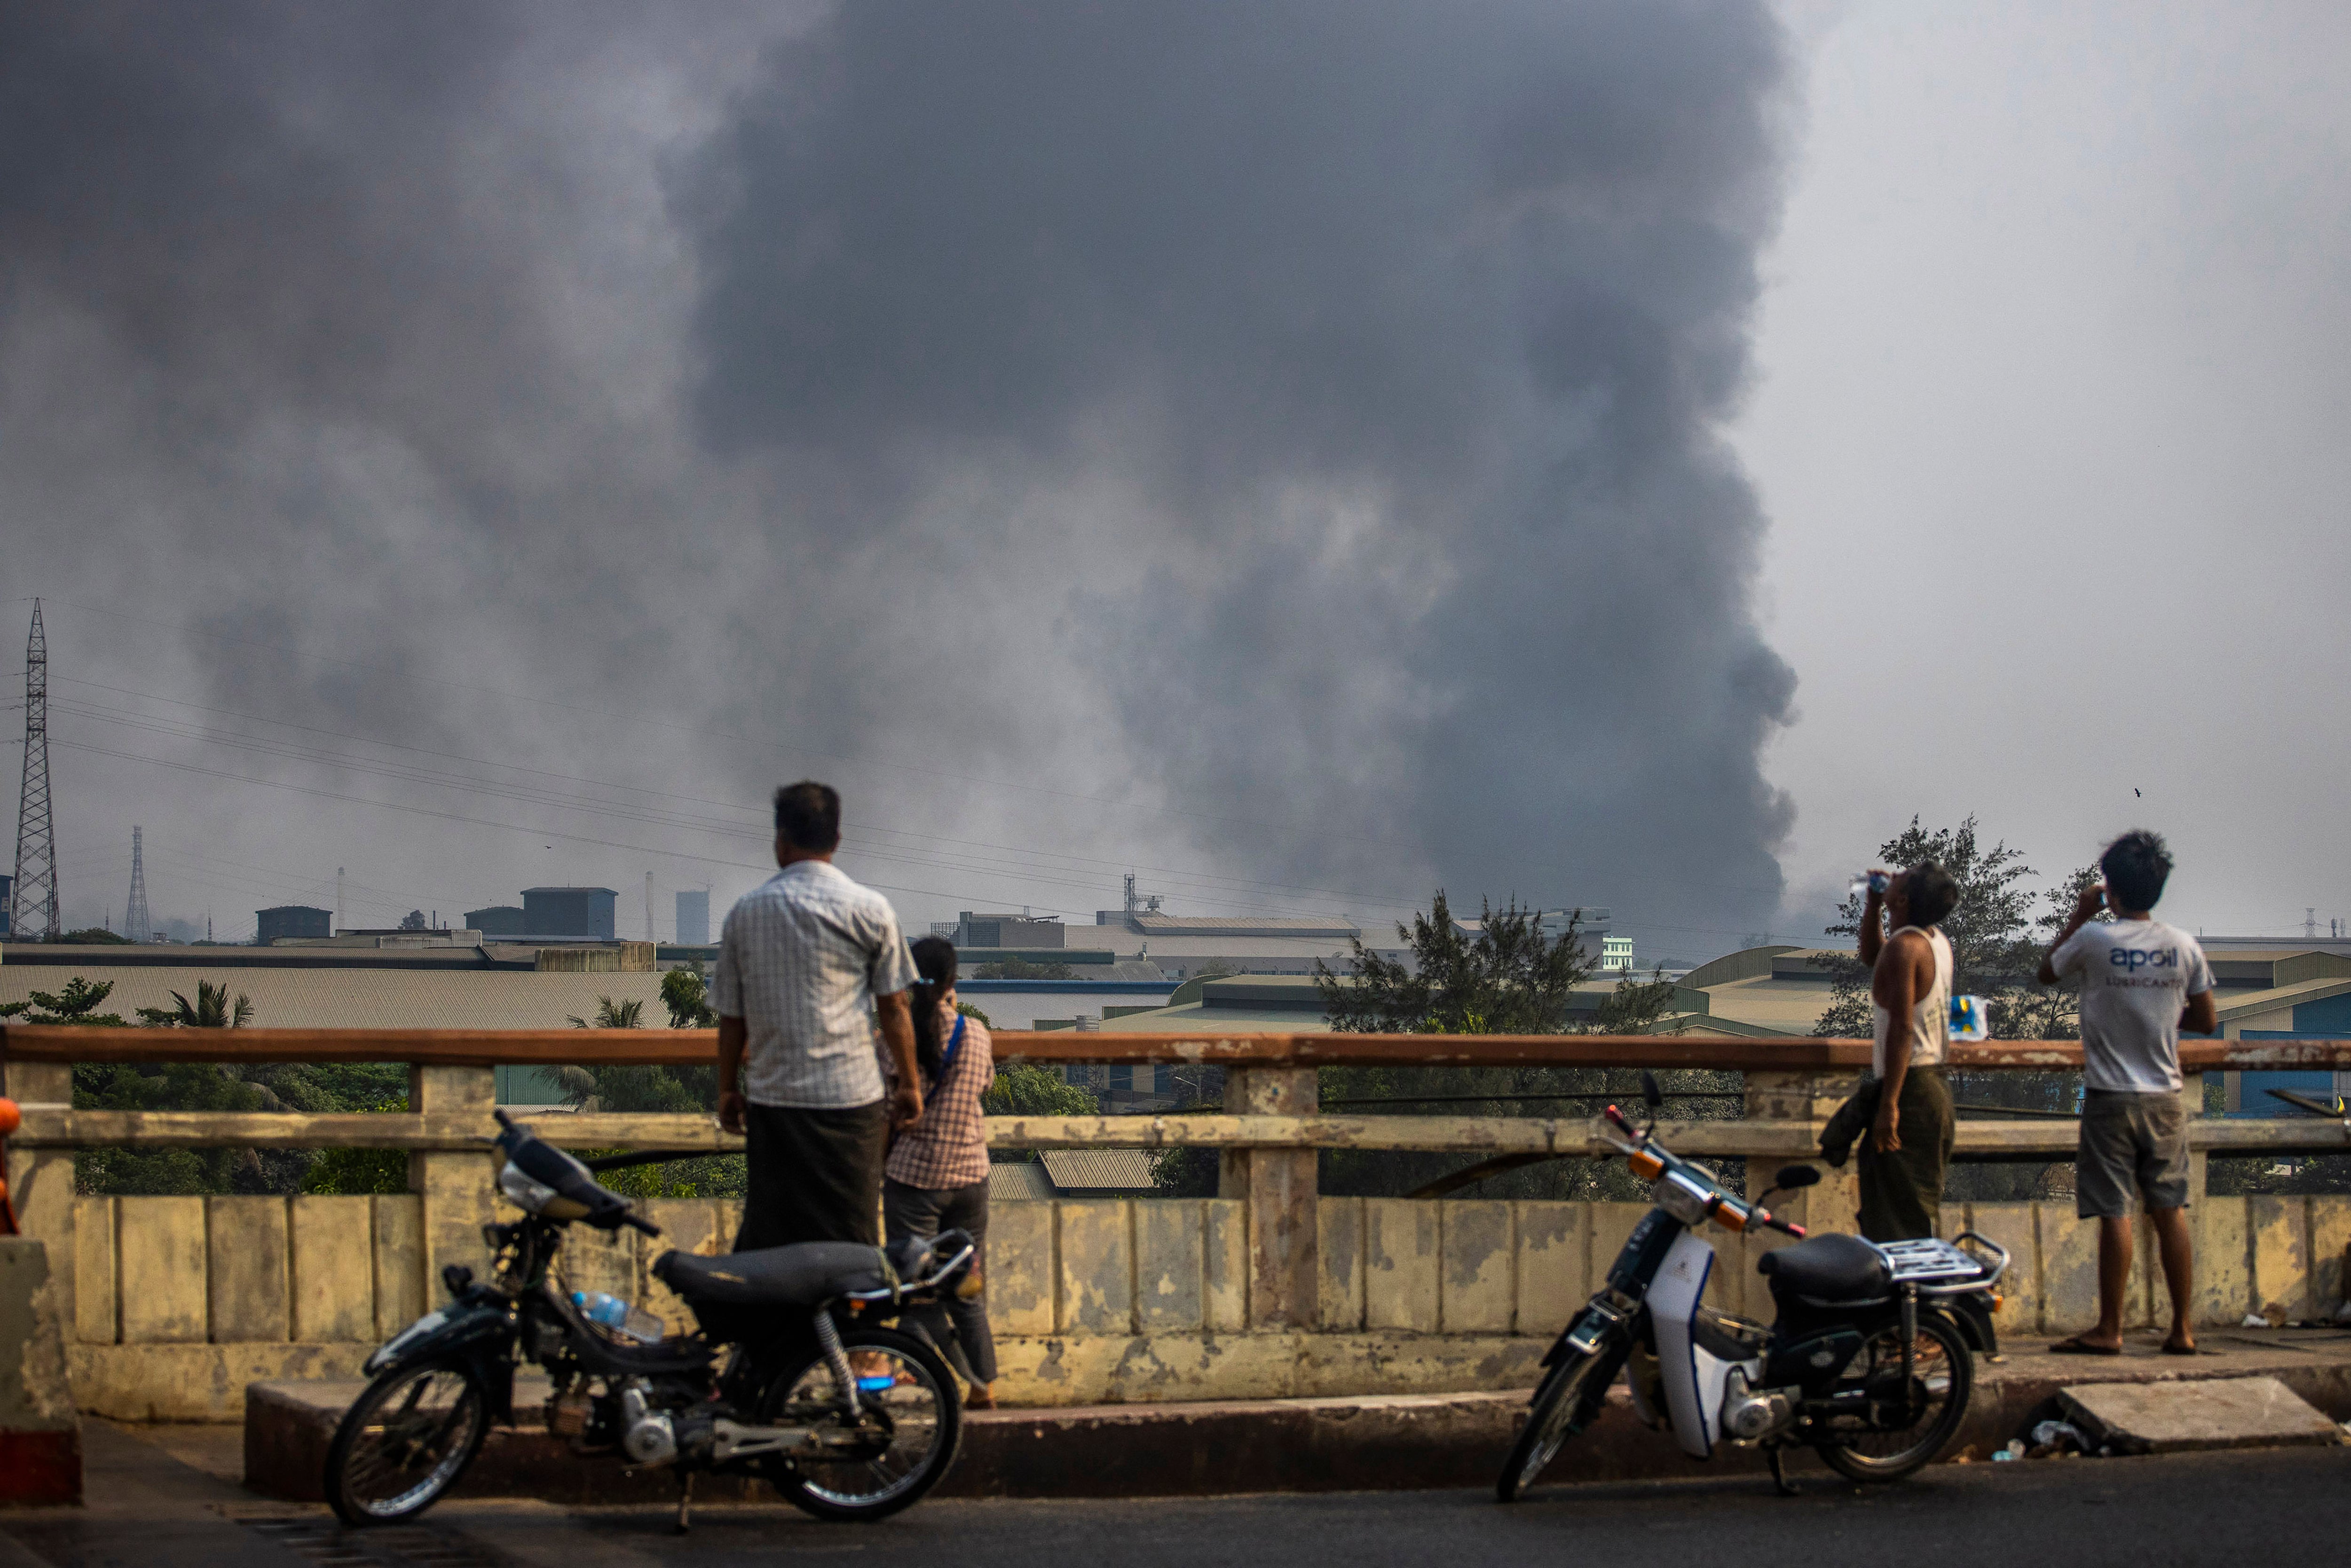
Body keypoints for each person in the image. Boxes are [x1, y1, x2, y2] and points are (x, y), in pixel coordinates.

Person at [714, 780, 922, 1253]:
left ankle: (781, 1326)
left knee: (773, 1237)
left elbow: (732, 1019)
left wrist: (728, 1088)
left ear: (780, 840)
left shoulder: (744, 913)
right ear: (837, 840)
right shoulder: (871, 909)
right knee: (852, 1233)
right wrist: (909, 1082)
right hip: (851, 1102)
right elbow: (894, 1008)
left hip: (775, 1101)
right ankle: (850, 1325)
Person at [2040, 830, 2217, 1356]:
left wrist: (2079, 913)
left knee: (2114, 1210)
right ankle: (2181, 1329)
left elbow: (2045, 971)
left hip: (2108, 1096)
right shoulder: (2182, 945)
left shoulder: (2095, 941)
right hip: (2165, 1096)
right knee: (2169, 1209)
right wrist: (2157, 1006)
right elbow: (2206, 1020)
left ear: (2110, 890)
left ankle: (2110, 1328)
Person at [881, 936, 1000, 1407]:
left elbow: (884, 1098)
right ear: (952, 982)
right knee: (966, 1286)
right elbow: (985, 1082)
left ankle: (912, 1371)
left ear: (909, 981)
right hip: (970, 1177)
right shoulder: (976, 1034)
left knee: (913, 1285)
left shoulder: (892, 1037)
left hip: (913, 1179)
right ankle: (981, 1386)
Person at [1855, 861, 1961, 1241]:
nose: (1894, 872)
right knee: (1906, 1210)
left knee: (1895, 1219)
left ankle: (1907, 1297)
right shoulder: (1934, 942)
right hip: (1931, 1089)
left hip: (1910, 1092)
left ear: (1901, 898)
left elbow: (1902, 1028)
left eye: (1902, 875)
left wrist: (1889, 1104)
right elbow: (1874, 958)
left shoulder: (1906, 948)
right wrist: (1873, 908)